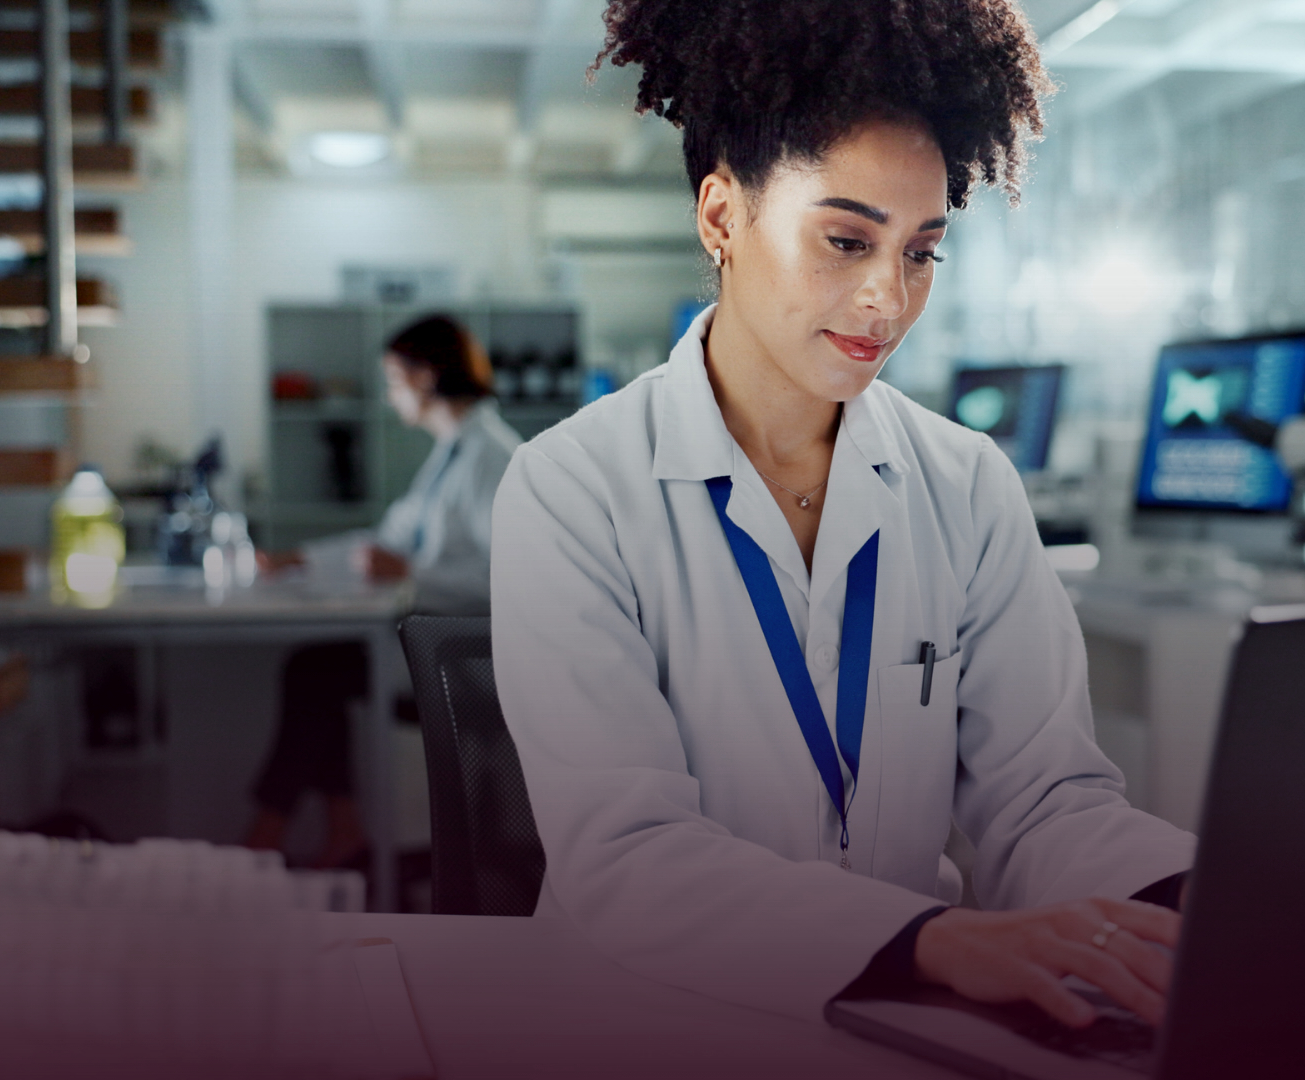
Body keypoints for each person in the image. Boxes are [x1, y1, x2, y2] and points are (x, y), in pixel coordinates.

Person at [491, 0, 1196, 1030]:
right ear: (722, 217)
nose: (886, 301)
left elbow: (1043, 801)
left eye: (920, 253)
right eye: (844, 240)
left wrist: (1202, 904)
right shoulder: (572, 488)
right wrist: (937, 942)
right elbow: (627, 856)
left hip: (902, 1028)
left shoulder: (965, 484)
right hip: (645, 1025)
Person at [247, 315, 521, 867]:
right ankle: (333, 828)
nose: (391, 395)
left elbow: (511, 578)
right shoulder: (452, 453)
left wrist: (412, 576)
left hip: (467, 658)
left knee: (315, 673)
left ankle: (274, 833)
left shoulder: (493, 456)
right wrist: (299, 559)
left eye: (395, 380)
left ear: (425, 377)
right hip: (435, 637)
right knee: (316, 671)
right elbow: (388, 542)